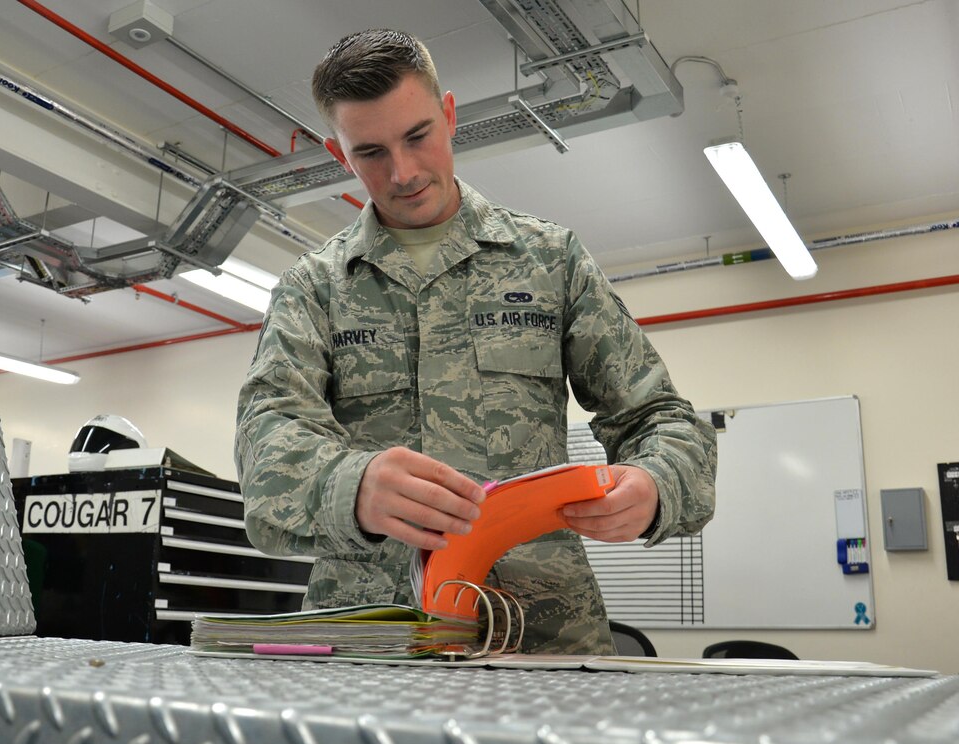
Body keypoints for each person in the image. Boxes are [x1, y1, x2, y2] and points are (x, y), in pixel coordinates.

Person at [235, 28, 717, 654]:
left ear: (450, 114)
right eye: (371, 152)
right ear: (338, 153)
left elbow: (658, 416)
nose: (402, 172)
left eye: (417, 136)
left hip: (541, 637)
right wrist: (348, 484)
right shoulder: (314, 288)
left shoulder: (551, 260)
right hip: (373, 641)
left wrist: (656, 485)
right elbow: (265, 441)